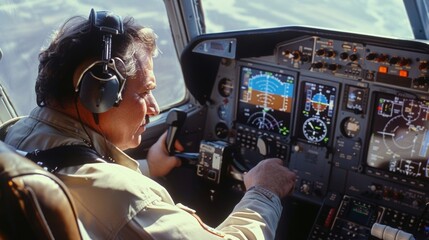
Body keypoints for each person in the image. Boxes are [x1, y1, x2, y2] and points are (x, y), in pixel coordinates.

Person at [5, 9, 296, 239]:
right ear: (99, 94)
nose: (154, 108)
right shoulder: (126, 197)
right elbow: (113, 200)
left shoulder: (14, 137)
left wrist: (149, 167)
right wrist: (264, 192)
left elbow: (79, 176)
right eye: (144, 93)